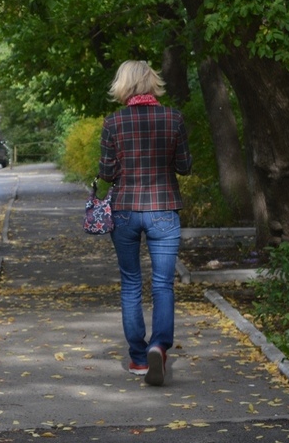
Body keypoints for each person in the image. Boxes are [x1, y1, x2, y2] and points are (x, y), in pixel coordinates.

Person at [99, 60, 192, 387]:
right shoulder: (174, 118)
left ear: (123, 85)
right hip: (163, 209)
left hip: (124, 211)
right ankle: (159, 346)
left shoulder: (113, 123)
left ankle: (139, 358)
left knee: (131, 283)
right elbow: (184, 166)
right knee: (164, 284)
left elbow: (107, 173)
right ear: (152, 82)